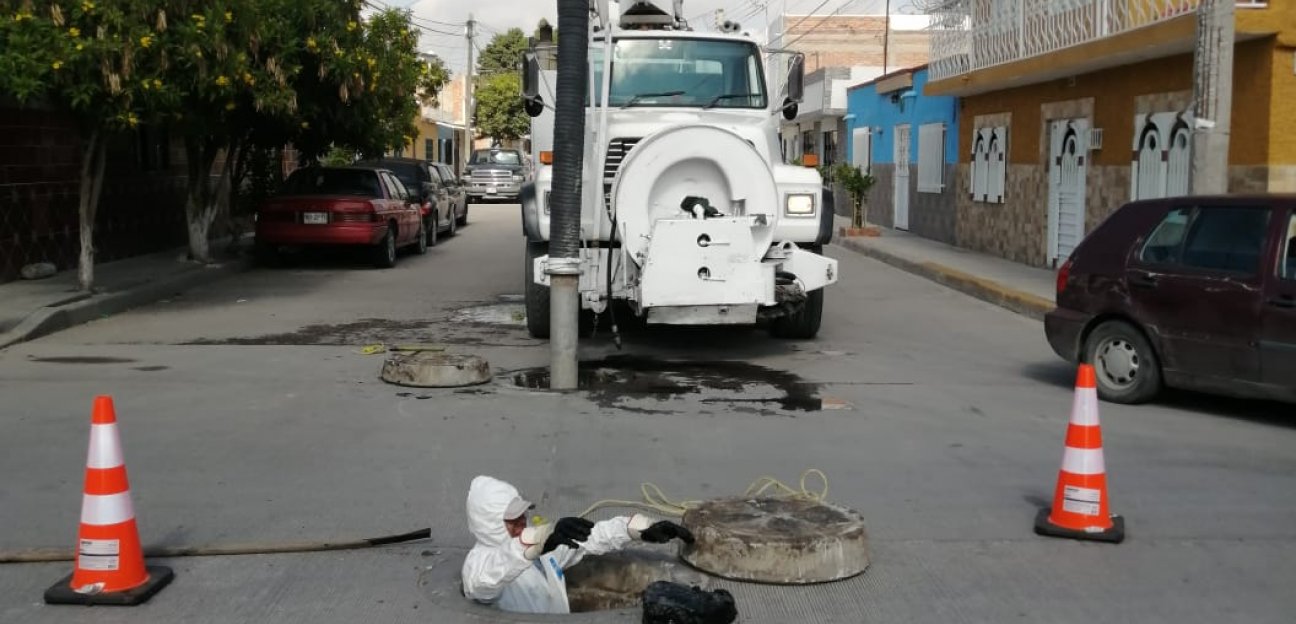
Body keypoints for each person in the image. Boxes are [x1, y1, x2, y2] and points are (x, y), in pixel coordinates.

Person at [462, 475, 695, 614]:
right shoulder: (480, 563)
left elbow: (591, 538)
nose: (522, 523)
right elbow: (486, 581)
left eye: (522, 515)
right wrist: (538, 540)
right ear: (488, 523)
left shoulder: (542, 550)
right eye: (512, 520)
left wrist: (639, 529)